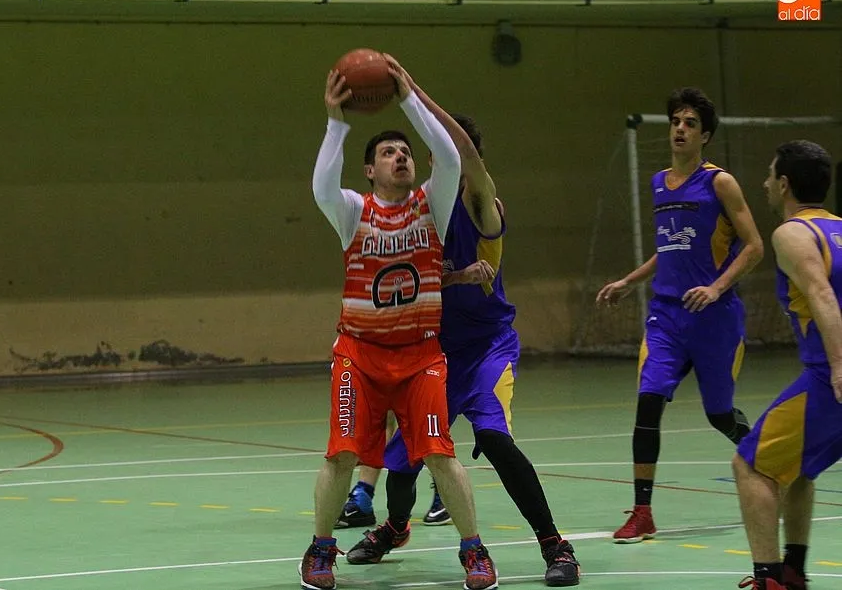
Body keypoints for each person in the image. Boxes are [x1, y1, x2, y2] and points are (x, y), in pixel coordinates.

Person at [339, 59, 579, 587]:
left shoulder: (480, 203)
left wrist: (410, 91)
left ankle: (554, 544)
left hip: (489, 346)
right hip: (438, 352)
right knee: (403, 460)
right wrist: (455, 278)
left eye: (458, 150)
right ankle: (394, 527)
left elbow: (464, 153)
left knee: (494, 439)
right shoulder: (420, 210)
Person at [301, 59, 498, 590]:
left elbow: (451, 157)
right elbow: (321, 186)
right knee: (342, 454)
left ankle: (474, 550)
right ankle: (320, 549)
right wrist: (336, 122)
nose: (401, 156)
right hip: (359, 354)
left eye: (405, 151)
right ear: (370, 170)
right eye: (388, 152)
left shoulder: (433, 206)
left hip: (420, 356)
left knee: (439, 455)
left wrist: (408, 97)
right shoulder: (352, 210)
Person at [596, 87, 764, 543]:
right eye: (676, 121)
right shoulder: (658, 183)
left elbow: (754, 246)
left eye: (690, 124)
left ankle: (769, 463)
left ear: (704, 136)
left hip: (714, 316)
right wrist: (630, 281)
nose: (680, 129)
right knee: (648, 404)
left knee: (719, 415)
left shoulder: (720, 183)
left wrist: (715, 287)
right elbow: (668, 250)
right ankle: (642, 512)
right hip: (667, 317)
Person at [732, 140, 842, 590]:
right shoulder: (839, 229)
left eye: (769, 175)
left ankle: (769, 579)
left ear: (784, 184)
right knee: (800, 467)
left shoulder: (792, 233)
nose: (764, 184)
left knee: (750, 465)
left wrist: (839, 367)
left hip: (828, 377)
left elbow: (821, 294)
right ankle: (793, 570)